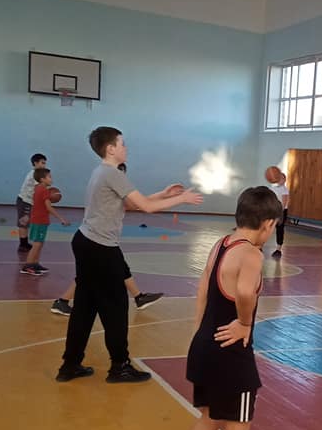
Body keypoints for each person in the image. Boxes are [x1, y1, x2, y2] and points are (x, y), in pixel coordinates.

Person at [154, 186, 282, 430]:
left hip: (205, 344)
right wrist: (244, 323)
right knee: (238, 427)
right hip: (231, 354)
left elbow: (202, 288)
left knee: (210, 417)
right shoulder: (251, 254)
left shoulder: (222, 244)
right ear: (268, 224)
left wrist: (199, 333)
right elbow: (244, 292)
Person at [55, 126, 202, 383]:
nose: (126, 148)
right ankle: (120, 366)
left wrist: (164, 194)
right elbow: (145, 207)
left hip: (85, 242)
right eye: (122, 144)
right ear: (111, 149)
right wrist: (182, 199)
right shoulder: (113, 174)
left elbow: (131, 204)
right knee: (116, 307)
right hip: (100, 248)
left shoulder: (102, 172)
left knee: (85, 307)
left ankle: (70, 364)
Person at [50, 162, 162, 315]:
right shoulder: (110, 185)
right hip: (97, 240)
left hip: (97, 239)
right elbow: (141, 205)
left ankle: (138, 297)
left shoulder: (108, 184)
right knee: (97, 274)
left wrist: (163, 194)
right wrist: (178, 198)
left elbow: (136, 204)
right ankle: (64, 302)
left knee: (115, 270)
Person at [21, 168, 69, 276]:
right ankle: (27, 266)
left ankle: (35, 264)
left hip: (38, 220)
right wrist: (61, 218)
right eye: (49, 177)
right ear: (42, 179)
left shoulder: (37, 188)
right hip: (39, 221)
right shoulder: (44, 191)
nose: (51, 179)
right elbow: (49, 207)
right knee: (37, 244)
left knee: (39, 243)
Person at [15, 153, 47, 254]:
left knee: (26, 223)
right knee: (23, 223)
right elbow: (40, 189)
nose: (44, 165)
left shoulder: (37, 174)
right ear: (35, 163)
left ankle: (24, 243)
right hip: (24, 201)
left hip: (28, 202)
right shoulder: (34, 175)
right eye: (42, 163)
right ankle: (22, 245)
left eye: (45, 163)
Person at [270, 172, 289, 259]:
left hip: (281, 211)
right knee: (267, 228)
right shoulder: (273, 188)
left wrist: (280, 213)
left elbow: (284, 202)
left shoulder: (284, 190)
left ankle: (278, 250)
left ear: (284, 180)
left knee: (280, 229)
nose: (280, 180)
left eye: (282, 178)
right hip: (273, 210)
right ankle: (259, 246)